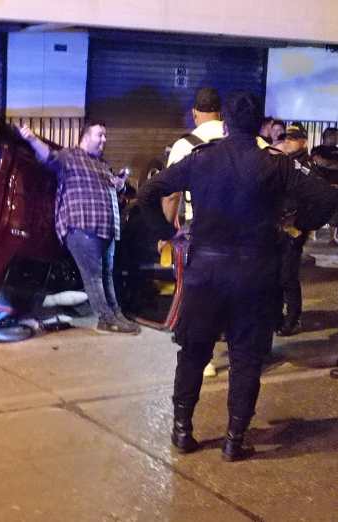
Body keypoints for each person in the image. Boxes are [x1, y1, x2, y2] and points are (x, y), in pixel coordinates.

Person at [138, 92, 338, 461]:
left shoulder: (201, 160)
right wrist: (297, 227)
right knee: (246, 358)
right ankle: (234, 438)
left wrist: (167, 234)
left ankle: (182, 429)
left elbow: (149, 191)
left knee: (194, 352)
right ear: (261, 127)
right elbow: (326, 197)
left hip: (206, 273)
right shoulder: (276, 164)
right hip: (256, 274)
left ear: (225, 124)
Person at [19, 122, 140, 335]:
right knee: (93, 277)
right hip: (81, 227)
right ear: (85, 136)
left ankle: (116, 314)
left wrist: (118, 183)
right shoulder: (70, 156)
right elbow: (48, 157)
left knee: (107, 275)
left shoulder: (102, 165)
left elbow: (112, 187)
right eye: (100, 135)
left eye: (105, 136)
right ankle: (106, 318)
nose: (104, 140)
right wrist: (32, 139)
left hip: (106, 229)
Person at [163, 87, 225, 378]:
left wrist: (166, 231)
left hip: (198, 230)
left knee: (196, 293)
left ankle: (204, 357)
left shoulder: (185, 145)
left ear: (195, 113)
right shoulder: (239, 141)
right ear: (221, 111)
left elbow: (171, 193)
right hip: (238, 229)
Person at [275, 123, 311, 336]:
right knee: (278, 274)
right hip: (278, 226)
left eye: (293, 138)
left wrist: (301, 226)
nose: (287, 141)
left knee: (288, 275)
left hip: (294, 228)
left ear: (303, 142)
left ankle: (292, 318)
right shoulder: (283, 162)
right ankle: (277, 316)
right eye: (285, 137)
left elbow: (314, 199)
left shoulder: (306, 166)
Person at [310, 128, 338, 245]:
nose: (337, 139)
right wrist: (332, 164)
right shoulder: (317, 149)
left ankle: (332, 237)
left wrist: (328, 164)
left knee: (335, 212)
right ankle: (311, 234)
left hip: (336, 186)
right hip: (320, 185)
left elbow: (325, 163)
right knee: (315, 208)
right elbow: (320, 162)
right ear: (328, 136)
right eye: (336, 136)